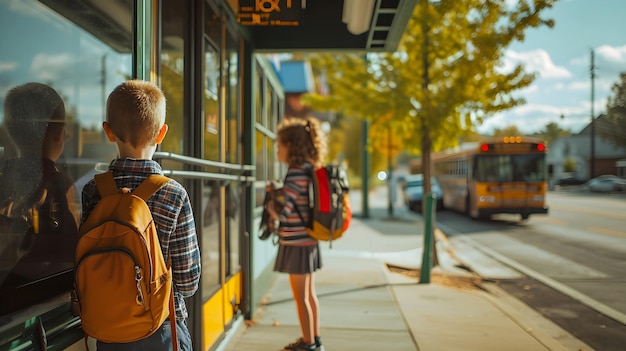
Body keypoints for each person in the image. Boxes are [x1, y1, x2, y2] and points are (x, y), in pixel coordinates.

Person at [80, 80, 201, 351]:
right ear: (161, 134)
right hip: (162, 326)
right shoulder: (174, 194)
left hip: (107, 326)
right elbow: (188, 280)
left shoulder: (93, 191)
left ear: (108, 132)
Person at [0, 82, 78, 293]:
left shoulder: (4, 179)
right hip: (45, 293)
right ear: (58, 134)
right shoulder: (60, 185)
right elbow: (72, 253)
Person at [266, 116, 327, 351]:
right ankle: (314, 338)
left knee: (301, 297)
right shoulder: (308, 169)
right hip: (308, 241)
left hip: (296, 242)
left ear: (290, 145)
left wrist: (272, 198)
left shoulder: (295, 171)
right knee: (310, 294)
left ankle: (308, 344)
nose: (277, 150)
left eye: (279, 145)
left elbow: (282, 210)